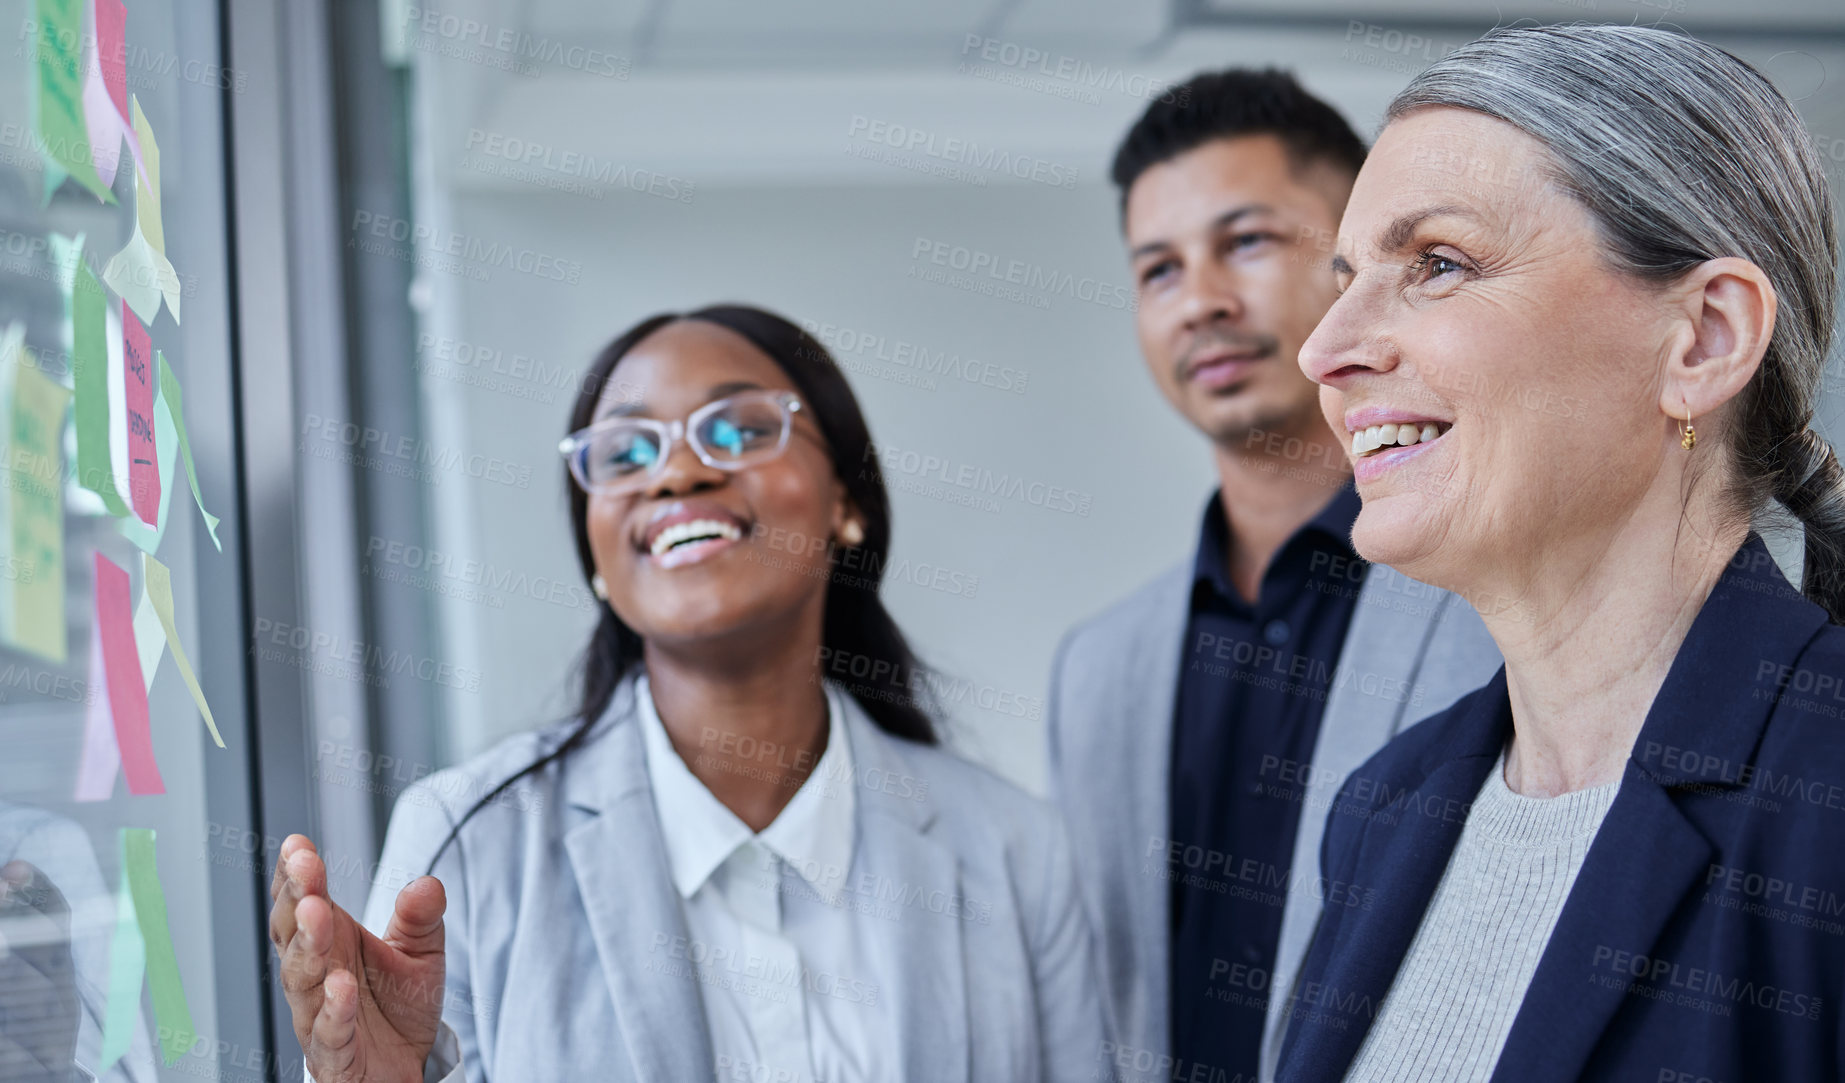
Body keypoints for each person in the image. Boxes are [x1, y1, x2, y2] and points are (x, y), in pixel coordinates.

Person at [269, 305, 1105, 1082]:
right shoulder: (467, 837)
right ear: (597, 551)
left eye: (737, 429)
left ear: (845, 503)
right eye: (625, 453)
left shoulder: (1014, 851)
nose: (674, 473)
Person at [1280, 23, 1845, 1083]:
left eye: (1437, 263)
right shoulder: (1383, 811)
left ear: (1708, 338)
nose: (1325, 349)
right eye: (1346, 277)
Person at [1047, 70, 1502, 1083]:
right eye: (1158, 269)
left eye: (1245, 243)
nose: (1200, 300)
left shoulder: (1497, 601)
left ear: (1356, 261)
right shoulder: (1098, 668)